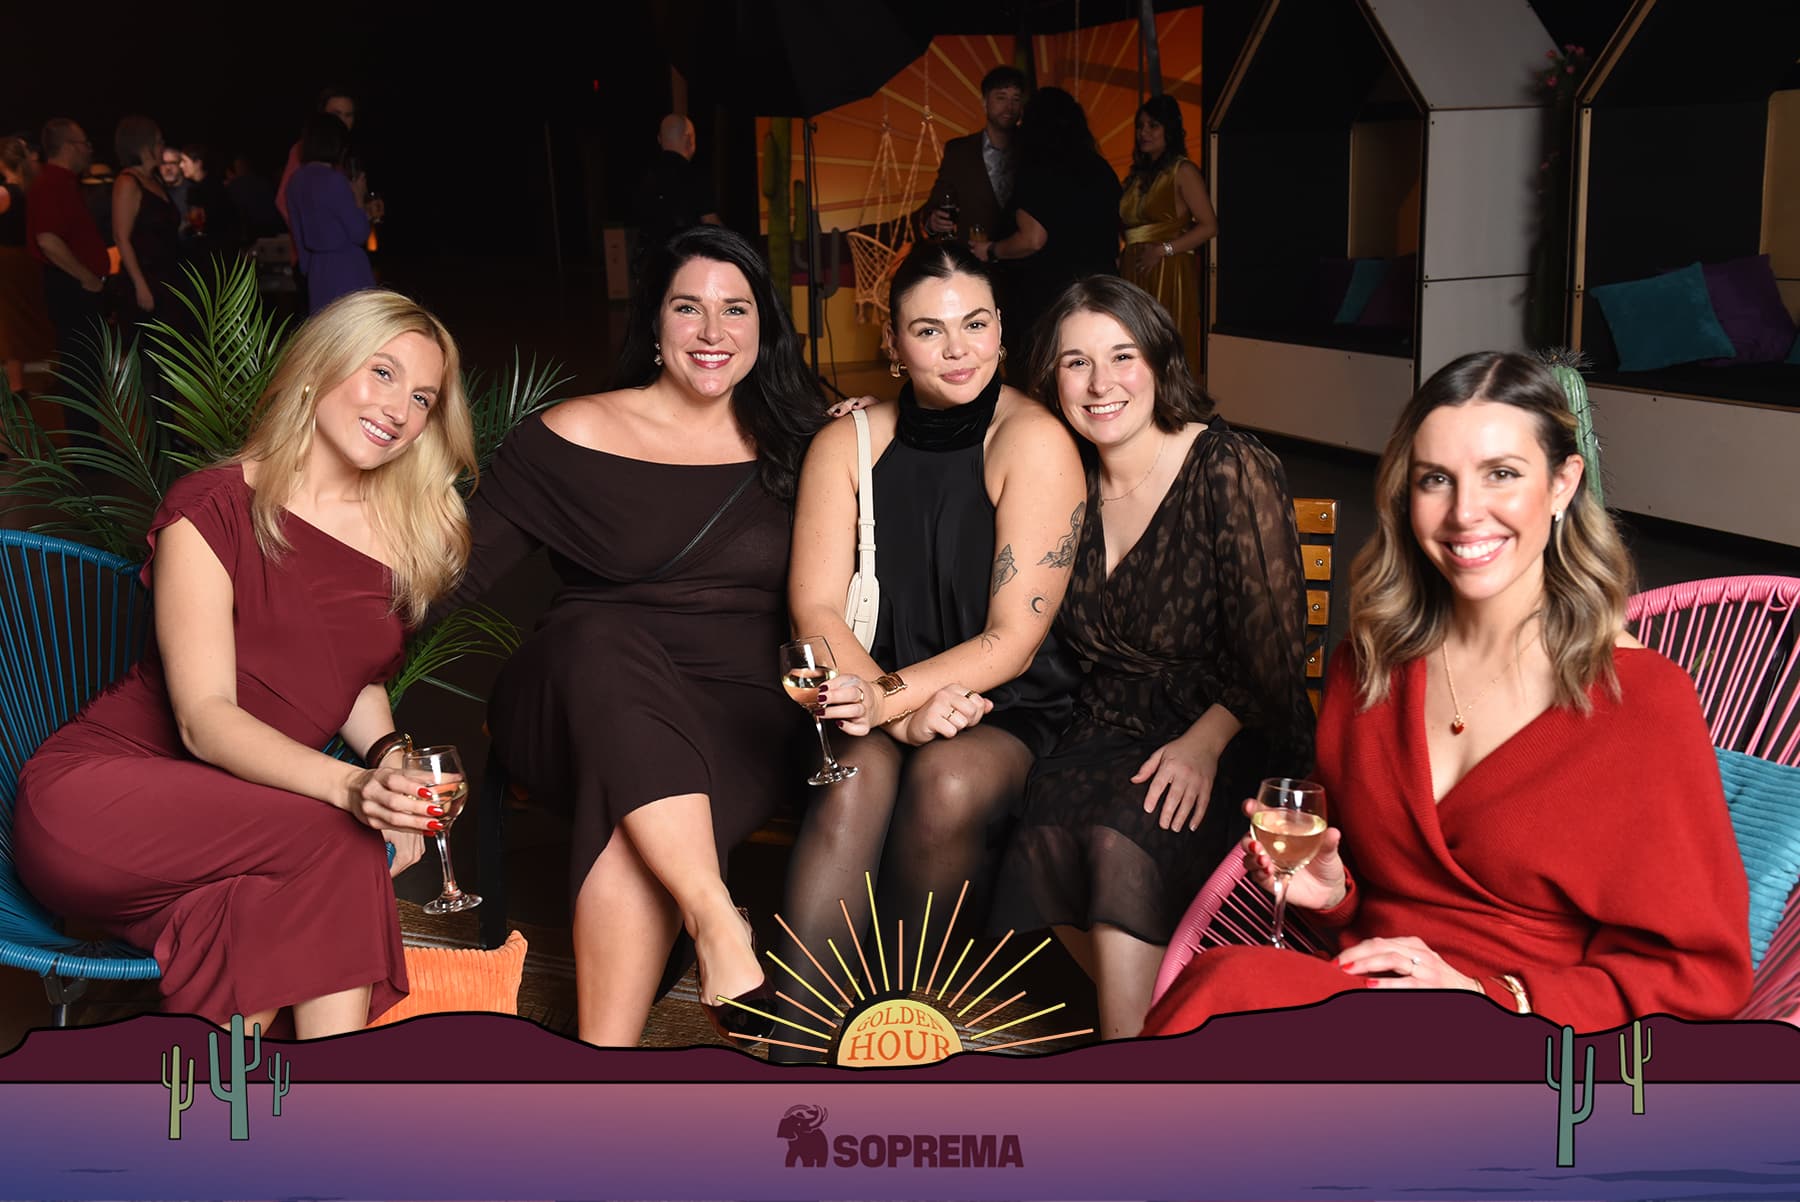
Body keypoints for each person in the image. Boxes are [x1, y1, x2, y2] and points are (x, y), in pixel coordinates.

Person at [1142, 351, 1753, 1037]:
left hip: (1527, 1040)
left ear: (1562, 484)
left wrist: (1490, 996)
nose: (1465, 513)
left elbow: (1699, 976)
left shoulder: (1641, 703)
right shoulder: (1370, 668)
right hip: (1367, 1004)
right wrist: (1336, 893)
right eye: (1436, 479)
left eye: (1502, 474)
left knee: (1227, 1004)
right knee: (1226, 990)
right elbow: (1374, 886)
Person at [14, 290, 477, 1037]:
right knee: (342, 844)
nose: (400, 409)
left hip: (242, 832)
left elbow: (353, 672)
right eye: (383, 373)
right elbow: (203, 720)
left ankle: (249, 1106)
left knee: (255, 919)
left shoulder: (400, 530)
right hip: (100, 800)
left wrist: (391, 758)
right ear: (318, 369)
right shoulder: (213, 507)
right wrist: (355, 789)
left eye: (423, 397)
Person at [434, 226, 822, 1047]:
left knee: (634, 841)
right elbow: (447, 579)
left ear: (764, 326)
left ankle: (598, 1078)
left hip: (738, 712)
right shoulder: (570, 435)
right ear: (653, 321)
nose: (712, 331)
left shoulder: (808, 439)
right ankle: (716, 916)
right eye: (688, 308)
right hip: (575, 693)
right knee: (601, 633)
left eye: (735, 309)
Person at [778, 241, 1086, 1057]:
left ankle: (902, 1033)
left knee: (946, 781)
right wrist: (891, 709)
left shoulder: (1032, 440)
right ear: (891, 342)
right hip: (863, 685)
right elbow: (815, 606)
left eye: (975, 324)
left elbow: (1011, 641)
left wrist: (892, 703)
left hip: (1001, 702)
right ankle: (798, 1049)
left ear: (1001, 329)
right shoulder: (847, 442)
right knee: (850, 781)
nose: (958, 349)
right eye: (929, 329)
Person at [993, 276, 1315, 1041]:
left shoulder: (1228, 466)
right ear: (1051, 379)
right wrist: (871, 412)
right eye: (1076, 362)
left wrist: (1205, 744)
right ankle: (1164, 1031)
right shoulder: (1063, 477)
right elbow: (970, 413)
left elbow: (1276, 655)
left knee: (1119, 837)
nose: (1100, 383)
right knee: (1034, 831)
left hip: (1232, 729)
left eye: (1122, 355)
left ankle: (1130, 1069)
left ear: (1160, 361)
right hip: (1105, 726)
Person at [969, 87, 1121, 364]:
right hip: (1101, 292)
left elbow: (1032, 239)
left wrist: (991, 250)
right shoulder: (1102, 169)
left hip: (1048, 300)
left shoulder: (1039, 169)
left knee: (1042, 374)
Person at [1119, 96, 1216, 376]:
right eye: (1140, 126)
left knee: (1165, 345)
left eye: (1153, 125)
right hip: (1134, 269)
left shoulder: (1182, 170)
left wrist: (1163, 250)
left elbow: (1209, 226)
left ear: (1169, 129)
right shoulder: (1137, 177)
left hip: (1168, 269)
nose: (1144, 132)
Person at [25, 119, 108, 394]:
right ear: (69, 147)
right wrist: (87, 279)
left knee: (87, 369)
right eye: (85, 143)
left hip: (74, 285)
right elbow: (47, 240)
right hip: (71, 287)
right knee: (81, 371)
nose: (89, 149)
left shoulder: (65, 183)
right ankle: (82, 424)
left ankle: (86, 422)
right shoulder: (51, 184)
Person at [915, 65, 1026, 244]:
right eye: (1001, 98)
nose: (1009, 107)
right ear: (984, 102)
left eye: (1016, 99)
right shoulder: (959, 151)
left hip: (1024, 254)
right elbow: (936, 203)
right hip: (973, 255)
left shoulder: (1033, 147)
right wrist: (932, 223)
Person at [285, 113, 375, 312]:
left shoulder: (295, 181)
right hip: (347, 268)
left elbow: (298, 237)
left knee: (326, 327)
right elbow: (359, 232)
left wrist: (311, 271)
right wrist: (359, 197)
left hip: (317, 270)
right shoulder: (334, 180)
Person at [1, 135, 56, 398]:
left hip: (8, 262)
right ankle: (24, 383)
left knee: (11, 323)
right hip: (29, 260)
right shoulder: (32, 190)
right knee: (26, 319)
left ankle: (16, 385)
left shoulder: (5, 193)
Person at [111, 116, 182, 321]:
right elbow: (121, 237)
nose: (162, 147)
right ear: (143, 147)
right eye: (158, 142)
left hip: (169, 274)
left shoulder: (154, 179)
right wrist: (140, 284)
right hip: (147, 278)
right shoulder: (128, 182)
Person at [632, 114, 721, 274]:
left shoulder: (644, 178)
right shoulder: (694, 176)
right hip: (685, 264)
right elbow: (711, 223)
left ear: (660, 139)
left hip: (651, 266)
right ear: (689, 139)